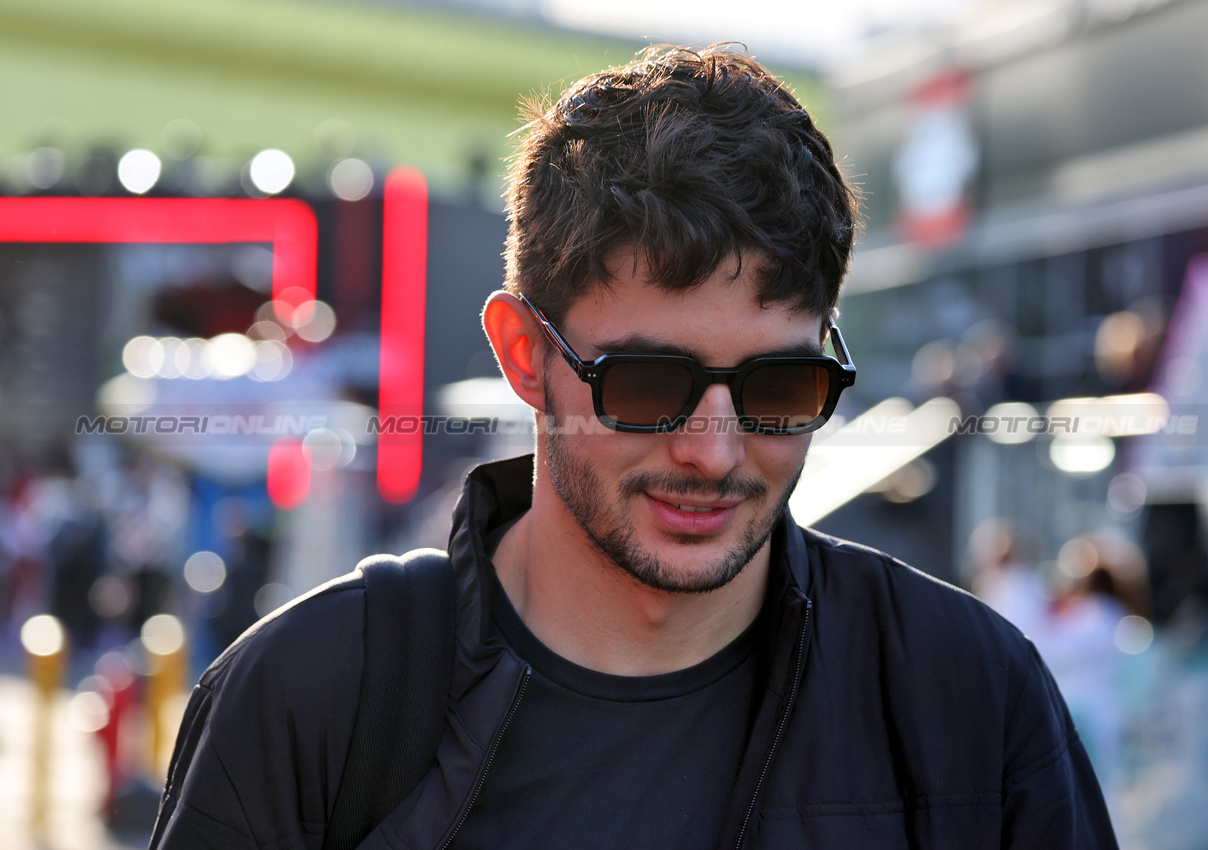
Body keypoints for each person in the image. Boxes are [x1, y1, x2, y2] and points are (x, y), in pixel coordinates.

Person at [149, 45, 1117, 849]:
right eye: (649, 385)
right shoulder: (311, 698)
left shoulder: (967, 697)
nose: (713, 452)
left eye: (778, 389)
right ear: (525, 355)